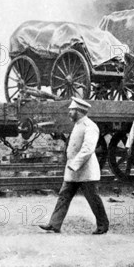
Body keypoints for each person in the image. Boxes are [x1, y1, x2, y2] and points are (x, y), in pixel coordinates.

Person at [39, 97, 109, 234]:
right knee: (63, 196)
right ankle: (54, 224)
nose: (69, 113)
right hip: (73, 171)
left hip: (86, 171)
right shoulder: (77, 125)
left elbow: (88, 149)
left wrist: (75, 164)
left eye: (72, 110)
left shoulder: (90, 126)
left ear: (80, 111)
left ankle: (103, 225)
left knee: (93, 199)